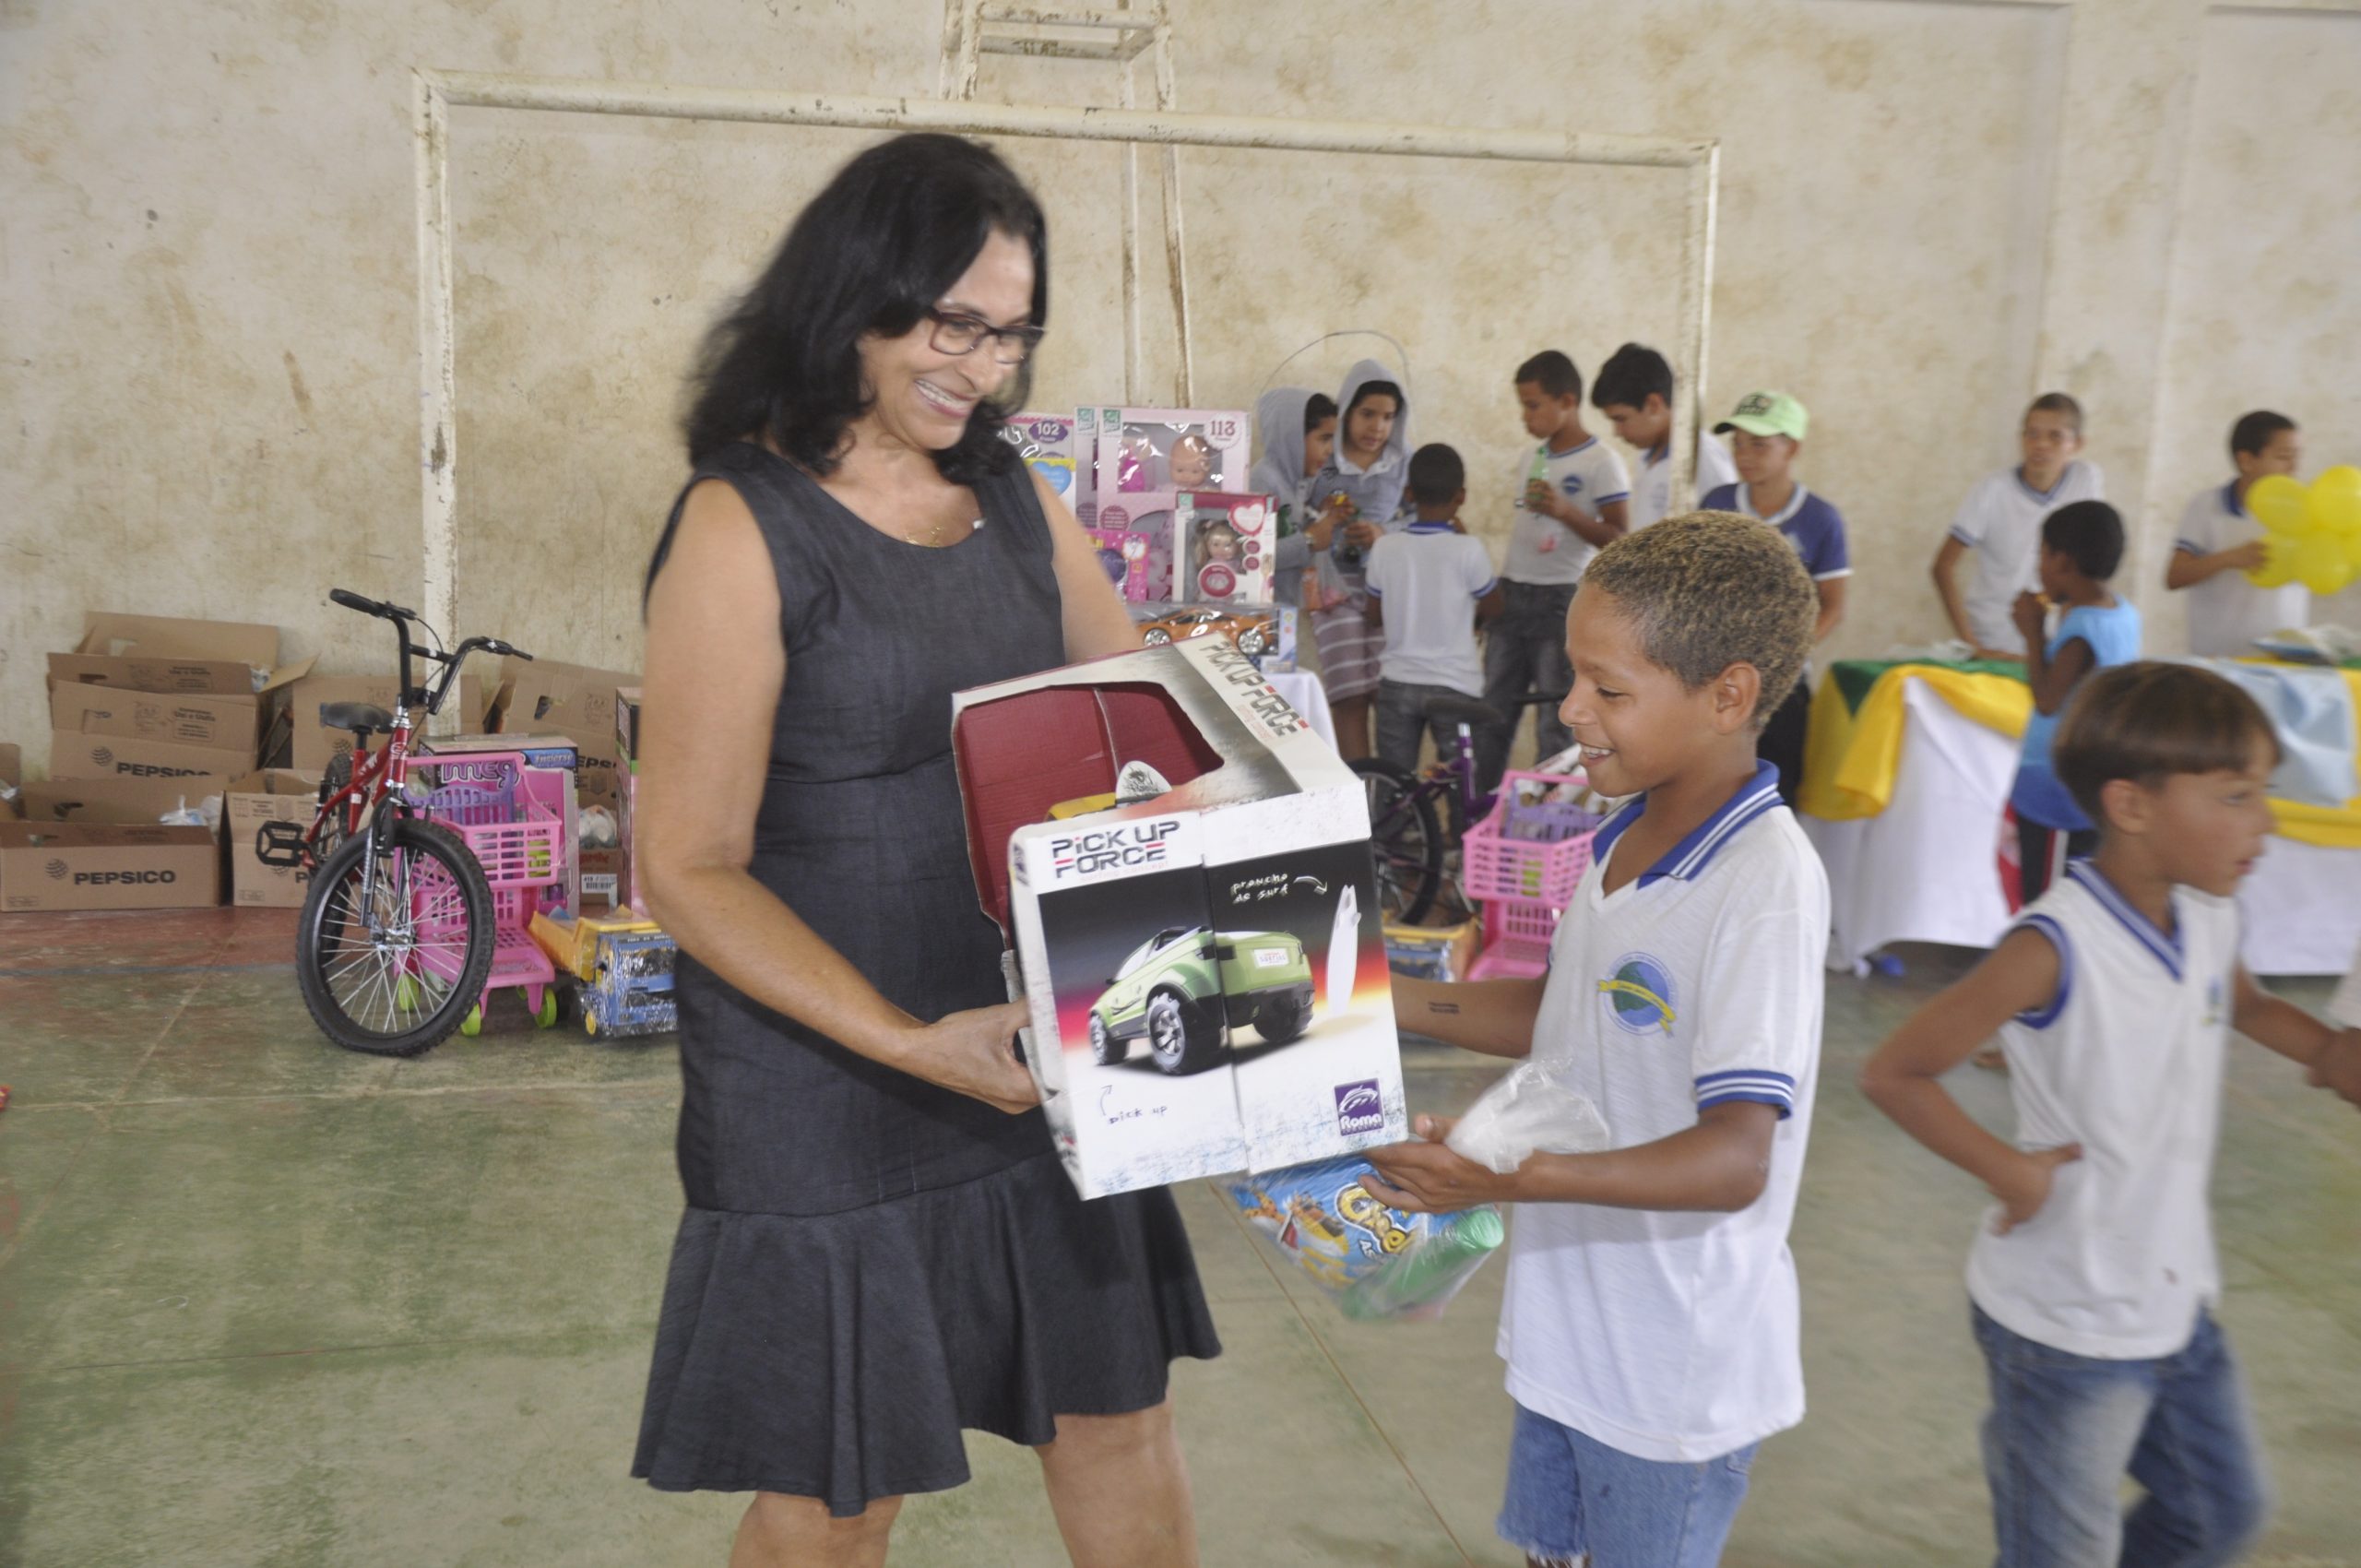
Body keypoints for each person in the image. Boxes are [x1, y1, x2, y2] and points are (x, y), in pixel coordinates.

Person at [632, 133, 1216, 1568]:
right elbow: (688, 865)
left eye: (1011, 335)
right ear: (856, 300)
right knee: (839, 1492)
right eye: (955, 325)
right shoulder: (743, 524)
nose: (985, 369)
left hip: (1029, 1041)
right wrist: (908, 1043)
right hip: (826, 1073)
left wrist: (1226, 831)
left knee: (1116, 1416)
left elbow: (1142, 727)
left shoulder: (1014, 498)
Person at [1365, 511, 1826, 1568]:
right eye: (1574, 677)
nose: (1570, 709)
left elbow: (1734, 1159)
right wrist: (1377, 995)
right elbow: (1563, 1013)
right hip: (1569, 1335)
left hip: (1668, 1375)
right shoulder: (1623, 829)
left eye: (1606, 689)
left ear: (1728, 695)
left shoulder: (1761, 883)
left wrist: (1510, 1176)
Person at [1860, 661, 2357, 1568]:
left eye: (2262, 792)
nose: (2267, 822)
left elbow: (2244, 1004)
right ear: (2131, 805)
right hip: (2066, 1322)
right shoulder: (2051, 945)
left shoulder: (2207, 915)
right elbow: (1896, 1071)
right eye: (2237, 796)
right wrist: (2007, 1169)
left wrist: (2327, 1051)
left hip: (2172, 1302)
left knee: (2220, 1514)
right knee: (2059, 1552)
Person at [1477, 350, 1631, 792]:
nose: (1525, 417)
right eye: (1522, 406)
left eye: (1533, 405)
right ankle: (1479, 818)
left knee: (1557, 719)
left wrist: (1566, 512)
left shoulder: (1602, 462)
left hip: (1562, 599)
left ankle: (1547, 822)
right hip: (1513, 593)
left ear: (1567, 401)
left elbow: (1620, 538)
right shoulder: (1533, 456)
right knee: (1492, 713)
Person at [1701, 390, 1848, 809]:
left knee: (1775, 796)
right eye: (1738, 444)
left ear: (1792, 449)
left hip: (1784, 687)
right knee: (1711, 792)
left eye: (1759, 445)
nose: (1745, 456)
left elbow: (1834, 605)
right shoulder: (1718, 505)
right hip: (1717, 679)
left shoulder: (1820, 518)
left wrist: (1781, 657)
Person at [2009, 500, 2141, 903]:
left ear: (2063, 561)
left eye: (2042, 555)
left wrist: (2033, 634)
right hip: (2089, 777)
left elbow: (2048, 700)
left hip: (2056, 792)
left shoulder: (2083, 628)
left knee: (2048, 896)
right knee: (2077, 890)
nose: (2039, 567)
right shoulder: (2119, 611)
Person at [1363, 443, 1505, 776]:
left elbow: (1373, 617)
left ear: (1409, 493)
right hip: (1455, 685)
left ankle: (1395, 813)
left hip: (1397, 681)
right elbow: (1496, 607)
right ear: (1461, 497)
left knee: (1393, 783)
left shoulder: (1385, 547)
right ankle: (1454, 815)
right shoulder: (1468, 549)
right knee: (1461, 784)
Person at [1931, 393, 2106, 659]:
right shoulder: (1992, 490)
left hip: (2056, 638)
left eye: (2055, 436)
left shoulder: (2086, 479)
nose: (2041, 445)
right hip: (1994, 636)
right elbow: (1942, 567)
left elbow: (2088, 564)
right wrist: (1971, 644)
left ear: (2077, 443)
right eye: (2032, 434)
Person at [1308, 361, 1414, 760]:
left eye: (1388, 417)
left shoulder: (1403, 461)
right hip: (1332, 587)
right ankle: (1360, 788)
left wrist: (1383, 533)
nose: (1378, 427)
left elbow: (1422, 517)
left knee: (1386, 691)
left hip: (1387, 586)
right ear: (1348, 411)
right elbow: (1296, 511)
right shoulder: (1323, 459)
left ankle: (1388, 790)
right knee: (1348, 693)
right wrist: (1325, 521)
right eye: (1368, 414)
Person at [2167, 410, 2309, 657]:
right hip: (2219, 657)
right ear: (2246, 461)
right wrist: (2230, 558)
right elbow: (2175, 577)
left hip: (2284, 659)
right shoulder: (2207, 506)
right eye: (2283, 457)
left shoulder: (2306, 509)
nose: (2293, 467)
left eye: (2297, 456)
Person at [1590, 341, 1738, 532]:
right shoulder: (1646, 457)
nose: (1617, 432)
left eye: (1621, 419)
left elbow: (1726, 534)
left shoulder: (1703, 459)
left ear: (1654, 404)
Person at [1249, 386, 1342, 616]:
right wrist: (1308, 540)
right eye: (1324, 439)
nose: (1330, 450)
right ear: (1293, 438)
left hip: (1286, 606)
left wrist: (1320, 515)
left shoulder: (1298, 479)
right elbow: (1251, 555)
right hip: (1262, 612)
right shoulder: (1263, 480)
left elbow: (1289, 526)